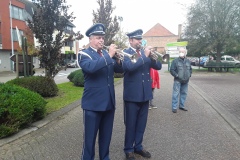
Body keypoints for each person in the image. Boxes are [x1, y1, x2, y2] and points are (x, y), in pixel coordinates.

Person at [78, 23, 123, 160]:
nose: (101, 40)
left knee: (106, 137)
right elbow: (91, 68)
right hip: (93, 104)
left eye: (102, 38)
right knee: (90, 140)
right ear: (90, 39)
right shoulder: (84, 54)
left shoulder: (105, 54)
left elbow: (119, 71)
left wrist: (118, 59)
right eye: (98, 38)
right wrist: (109, 56)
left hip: (109, 102)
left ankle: (105, 157)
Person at [122, 29, 162, 160]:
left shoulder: (145, 54)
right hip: (132, 96)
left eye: (141, 39)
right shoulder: (125, 53)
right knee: (131, 124)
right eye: (137, 39)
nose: (140, 41)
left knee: (141, 124)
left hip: (145, 94)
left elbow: (159, 67)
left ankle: (138, 147)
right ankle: (128, 149)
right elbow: (129, 67)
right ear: (131, 40)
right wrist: (144, 56)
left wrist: (152, 56)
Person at [170, 47, 192, 113]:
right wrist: (176, 75)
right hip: (177, 80)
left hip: (186, 81)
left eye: (183, 52)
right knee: (175, 94)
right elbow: (172, 70)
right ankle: (174, 107)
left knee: (184, 93)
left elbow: (190, 69)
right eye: (180, 52)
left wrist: (189, 75)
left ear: (185, 53)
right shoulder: (175, 61)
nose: (181, 53)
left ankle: (182, 106)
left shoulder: (188, 61)